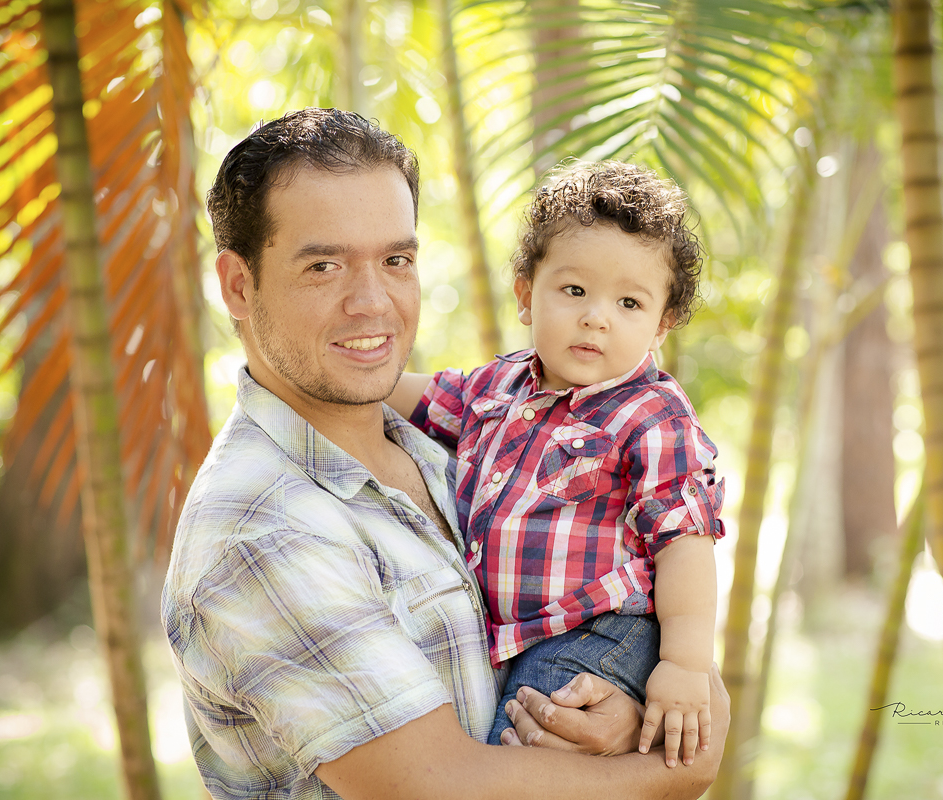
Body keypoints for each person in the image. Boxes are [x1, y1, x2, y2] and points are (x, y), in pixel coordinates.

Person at [160, 107, 728, 800]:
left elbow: (657, 558)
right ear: (239, 286)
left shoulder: (443, 447)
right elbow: (440, 788)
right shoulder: (262, 529)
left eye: (396, 260)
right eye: (324, 266)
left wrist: (631, 704)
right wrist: (678, 766)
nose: (372, 303)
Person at [385, 161, 724, 769]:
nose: (597, 316)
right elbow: (423, 395)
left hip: (595, 632)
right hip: (513, 636)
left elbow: (684, 540)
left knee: (520, 755)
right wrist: (367, 376)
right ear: (525, 293)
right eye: (574, 291)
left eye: (629, 302)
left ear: (662, 323)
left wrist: (684, 662)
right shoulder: (498, 388)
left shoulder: (652, 416)